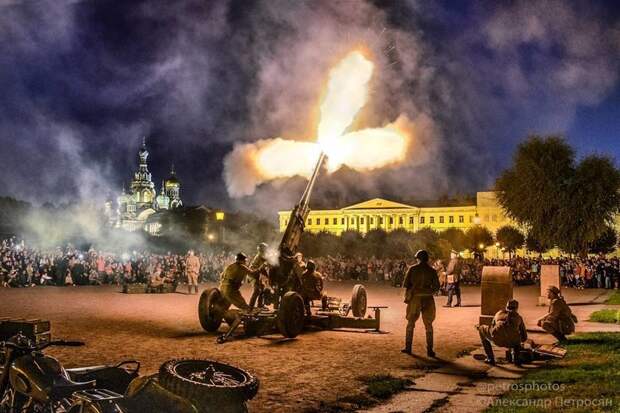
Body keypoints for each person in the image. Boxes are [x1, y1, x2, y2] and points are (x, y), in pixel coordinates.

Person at [402, 249, 440, 357]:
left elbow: (406, 284)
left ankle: (408, 348)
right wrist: (428, 291)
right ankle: (430, 350)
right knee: (428, 324)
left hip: (415, 298)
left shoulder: (412, 269)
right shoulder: (432, 271)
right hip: (428, 298)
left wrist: (411, 292)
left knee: (410, 323)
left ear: (418, 258)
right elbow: (437, 287)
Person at [477, 299, 528, 366]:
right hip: (512, 343)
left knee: (481, 329)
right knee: (516, 338)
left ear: (506, 307)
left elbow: (493, 327)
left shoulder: (499, 313)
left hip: (497, 340)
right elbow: (524, 337)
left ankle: (490, 358)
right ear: (517, 308)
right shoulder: (519, 318)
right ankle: (516, 359)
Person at [249, 243, 268, 308]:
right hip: (254, 276)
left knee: (261, 291)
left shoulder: (262, 256)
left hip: (259, 276)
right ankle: (250, 306)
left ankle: (260, 305)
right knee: (257, 291)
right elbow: (253, 269)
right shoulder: (258, 257)